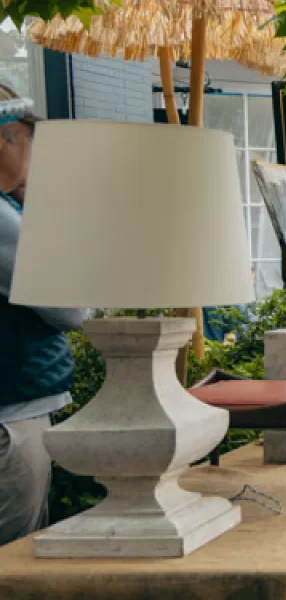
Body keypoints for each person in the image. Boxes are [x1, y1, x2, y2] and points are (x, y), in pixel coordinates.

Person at [0, 101, 88, 545]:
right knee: (12, 561)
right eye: (33, 147)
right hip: (11, 420)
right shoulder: (2, 219)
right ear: (4, 140)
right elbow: (72, 306)